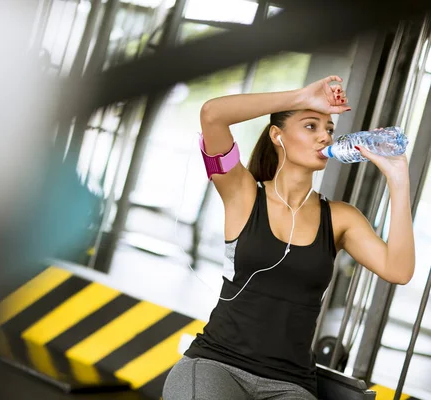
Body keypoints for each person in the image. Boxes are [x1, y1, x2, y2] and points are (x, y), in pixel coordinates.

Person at [162, 75, 415, 400]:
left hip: (290, 385)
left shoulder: (340, 218)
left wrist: (398, 181)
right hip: (218, 365)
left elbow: (399, 270)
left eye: (329, 129)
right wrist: (301, 96)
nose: (324, 135)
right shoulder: (242, 194)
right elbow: (213, 114)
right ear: (277, 136)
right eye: (311, 126)